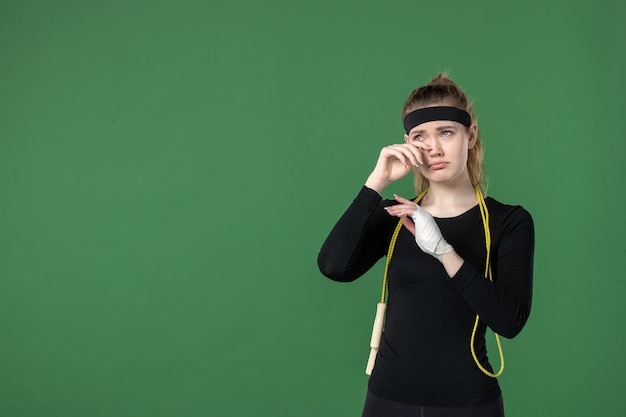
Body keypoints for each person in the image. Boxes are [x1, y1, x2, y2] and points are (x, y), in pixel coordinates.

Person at [317, 73, 534, 417]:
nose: (433, 147)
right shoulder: (396, 215)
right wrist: (377, 182)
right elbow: (333, 267)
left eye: (446, 132)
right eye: (420, 136)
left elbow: (510, 322)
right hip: (387, 398)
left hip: (469, 401)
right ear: (408, 143)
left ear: (471, 134)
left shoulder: (509, 222)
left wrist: (444, 252)